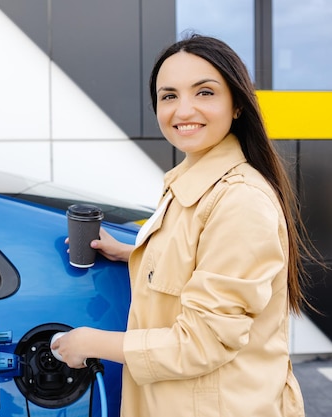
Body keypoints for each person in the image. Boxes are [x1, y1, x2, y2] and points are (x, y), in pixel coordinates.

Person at [52, 34, 316, 417]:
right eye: (169, 96)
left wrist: (90, 342)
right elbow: (196, 262)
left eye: (204, 92)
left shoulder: (239, 200)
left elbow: (203, 342)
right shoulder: (192, 184)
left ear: (237, 104)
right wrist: (132, 253)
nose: (183, 110)